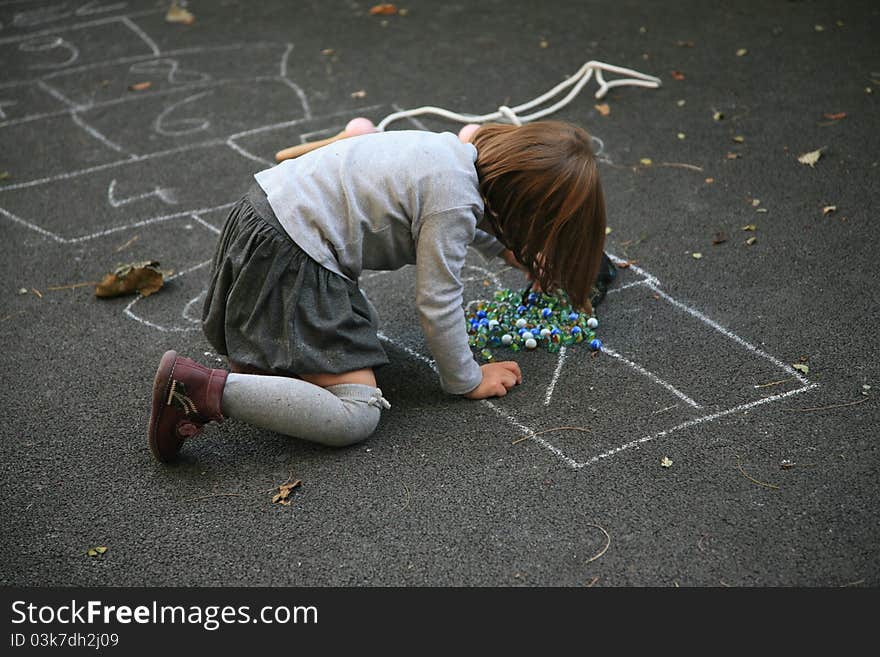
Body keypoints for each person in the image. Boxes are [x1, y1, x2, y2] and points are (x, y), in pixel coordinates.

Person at [147, 120, 608, 462]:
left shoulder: (454, 153)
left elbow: (468, 218)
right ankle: (197, 390)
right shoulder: (455, 201)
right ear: (521, 210)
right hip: (294, 257)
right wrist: (467, 378)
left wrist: (513, 253)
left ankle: (259, 366)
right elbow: (438, 301)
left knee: (347, 333)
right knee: (356, 416)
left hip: (262, 218)